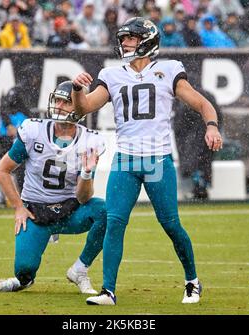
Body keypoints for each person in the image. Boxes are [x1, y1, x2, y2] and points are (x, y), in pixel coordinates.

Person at [70, 17, 223, 305]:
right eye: (124, 38)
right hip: (126, 159)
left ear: (146, 41)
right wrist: (78, 91)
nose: (124, 43)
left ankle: (192, 280)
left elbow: (201, 103)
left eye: (130, 38)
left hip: (156, 159)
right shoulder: (112, 75)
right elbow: (85, 107)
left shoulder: (168, 70)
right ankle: (108, 291)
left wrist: (211, 125)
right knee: (115, 222)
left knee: (171, 224)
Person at [0, 81, 107, 294]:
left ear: (79, 107)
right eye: (57, 100)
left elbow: (83, 197)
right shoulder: (34, 131)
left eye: (66, 102)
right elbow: (3, 170)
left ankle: (80, 269)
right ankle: (23, 281)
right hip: (35, 211)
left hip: (70, 210)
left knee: (106, 212)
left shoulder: (89, 141)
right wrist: (18, 206)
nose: (59, 106)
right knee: (24, 270)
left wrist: (87, 173)